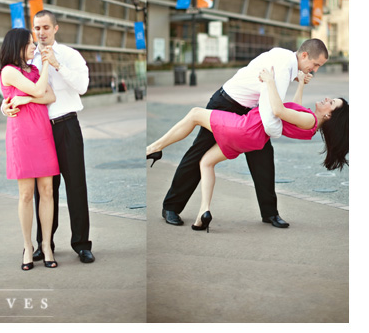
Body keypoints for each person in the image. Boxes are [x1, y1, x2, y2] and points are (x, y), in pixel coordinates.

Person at [147, 67, 348, 231]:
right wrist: (301, 84)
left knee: (194, 115)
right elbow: (294, 109)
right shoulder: (310, 125)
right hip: (252, 130)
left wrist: (270, 81)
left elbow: (280, 110)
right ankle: (198, 211)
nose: (327, 99)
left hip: (248, 127)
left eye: (331, 103)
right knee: (203, 160)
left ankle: (156, 147)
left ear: (329, 116)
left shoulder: (307, 114)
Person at [3, 10, 94, 264]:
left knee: (76, 185)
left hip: (67, 126)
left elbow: (82, 87)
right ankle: (45, 244)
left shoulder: (70, 55)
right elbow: (12, 89)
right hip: (38, 131)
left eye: (45, 27)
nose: (40, 32)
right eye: (36, 28)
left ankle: (82, 244)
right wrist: (5, 105)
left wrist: (56, 64)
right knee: (45, 191)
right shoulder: (26, 58)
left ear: (56, 28)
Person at [0, 27, 59, 270]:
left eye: (34, 44)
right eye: (30, 43)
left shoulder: (33, 70)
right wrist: (46, 65)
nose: (35, 47)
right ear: (17, 45)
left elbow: (50, 96)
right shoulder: (9, 71)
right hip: (21, 135)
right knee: (25, 194)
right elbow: (38, 90)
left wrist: (28, 99)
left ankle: (46, 245)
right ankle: (27, 246)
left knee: (47, 191)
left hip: (42, 133)